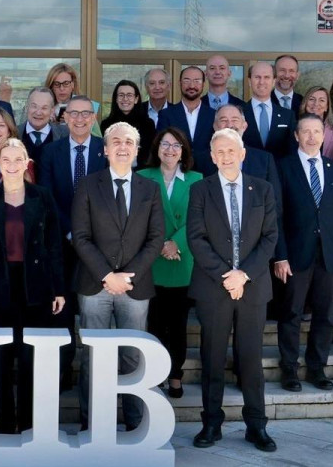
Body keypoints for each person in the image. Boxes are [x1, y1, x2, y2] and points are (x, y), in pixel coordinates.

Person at [0, 138, 65, 434]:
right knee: (0, 359)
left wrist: (58, 289)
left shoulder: (42, 196)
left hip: (35, 286)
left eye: (16, 160)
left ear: (26, 163)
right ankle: (3, 423)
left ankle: (31, 424)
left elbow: (54, 246)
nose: (10, 165)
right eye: (5, 160)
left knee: (31, 358)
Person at [186, 128, 278, 452]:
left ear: (242, 153)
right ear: (212, 157)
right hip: (214, 286)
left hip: (253, 288)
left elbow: (269, 238)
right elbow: (196, 238)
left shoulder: (263, 190)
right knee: (212, 359)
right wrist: (228, 275)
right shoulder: (200, 190)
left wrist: (244, 275)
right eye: (219, 152)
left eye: (231, 150)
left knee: (251, 359)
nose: (226, 156)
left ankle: (257, 427)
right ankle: (211, 424)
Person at [71, 122, 166, 431]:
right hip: (94, 284)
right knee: (93, 357)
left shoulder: (150, 189)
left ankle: (135, 423)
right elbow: (81, 237)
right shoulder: (87, 185)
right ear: (106, 149)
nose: (122, 146)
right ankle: (93, 422)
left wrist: (126, 276)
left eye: (129, 141)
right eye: (116, 141)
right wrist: (106, 276)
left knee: (133, 357)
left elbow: (155, 238)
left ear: (137, 150)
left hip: (135, 286)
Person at [272, 115, 333, 392]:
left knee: (325, 315)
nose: (311, 137)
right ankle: (289, 369)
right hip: (295, 255)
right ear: (296, 135)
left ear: (323, 135)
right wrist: (280, 256)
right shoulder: (283, 166)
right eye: (305, 132)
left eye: (316, 132)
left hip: (330, 254)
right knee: (291, 313)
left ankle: (317, 368)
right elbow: (277, 216)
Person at [36, 95, 106, 390]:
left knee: (95, 315)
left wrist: (88, 237)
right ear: (63, 117)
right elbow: (47, 197)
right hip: (61, 245)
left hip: (99, 246)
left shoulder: (107, 150)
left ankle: (96, 378)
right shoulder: (50, 152)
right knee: (60, 313)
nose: (79, 119)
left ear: (93, 118)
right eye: (73, 113)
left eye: (85, 114)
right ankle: (62, 372)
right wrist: (71, 234)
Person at [137, 127, 202, 398]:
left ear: (184, 150)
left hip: (181, 260)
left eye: (177, 145)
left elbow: (199, 219)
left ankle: (175, 375)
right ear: (157, 148)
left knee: (177, 325)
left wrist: (176, 243)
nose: (171, 150)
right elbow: (138, 217)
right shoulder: (142, 177)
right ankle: (152, 375)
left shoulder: (197, 179)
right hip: (151, 261)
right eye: (165, 144)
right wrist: (161, 244)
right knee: (152, 323)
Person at [241, 61, 294, 158]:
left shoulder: (288, 116)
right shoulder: (239, 113)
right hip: (247, 171)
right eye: (257, 77)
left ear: (273, 81)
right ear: (249, 81)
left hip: (279, 172)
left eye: (266, 77)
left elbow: (292, 151)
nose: (262, 82)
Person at [159, 66, 216, 153]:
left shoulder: (213, 115)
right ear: (180, 83)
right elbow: (161, 145)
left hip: (206, 166)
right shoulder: (166, 114)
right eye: (186, 81)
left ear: (203, 84)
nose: (192, 85)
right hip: (177, 165)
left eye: (197, 81)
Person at [102, 80, 155, 159]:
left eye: (129, 95)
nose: (125, 99)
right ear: (116, 99)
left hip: (141, 170)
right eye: (121, 95)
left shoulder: (148, 124)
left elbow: (150, 154)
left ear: (136, 99)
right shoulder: (106, 124)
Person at [20, 86, 69, 161]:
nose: (38, 112)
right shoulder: (13, 133)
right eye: (34, 106)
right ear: (27, 107)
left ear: (52, 110)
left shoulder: (66, 134)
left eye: (44, 108)